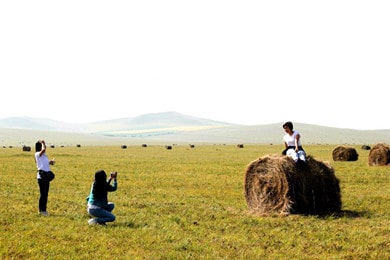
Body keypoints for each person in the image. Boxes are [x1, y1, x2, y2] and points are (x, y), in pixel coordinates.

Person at [35, 140, 55, 216]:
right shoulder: (37, 154)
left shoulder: (44, 155)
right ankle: (41, 210)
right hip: (41, 176)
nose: (44, 146)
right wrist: (43, 142)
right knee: (43, 194)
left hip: (46, 176)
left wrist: (51, 162)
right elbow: (43, 149)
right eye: (42, 145)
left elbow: (45, 163)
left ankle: (44, 210)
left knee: (45, 194)